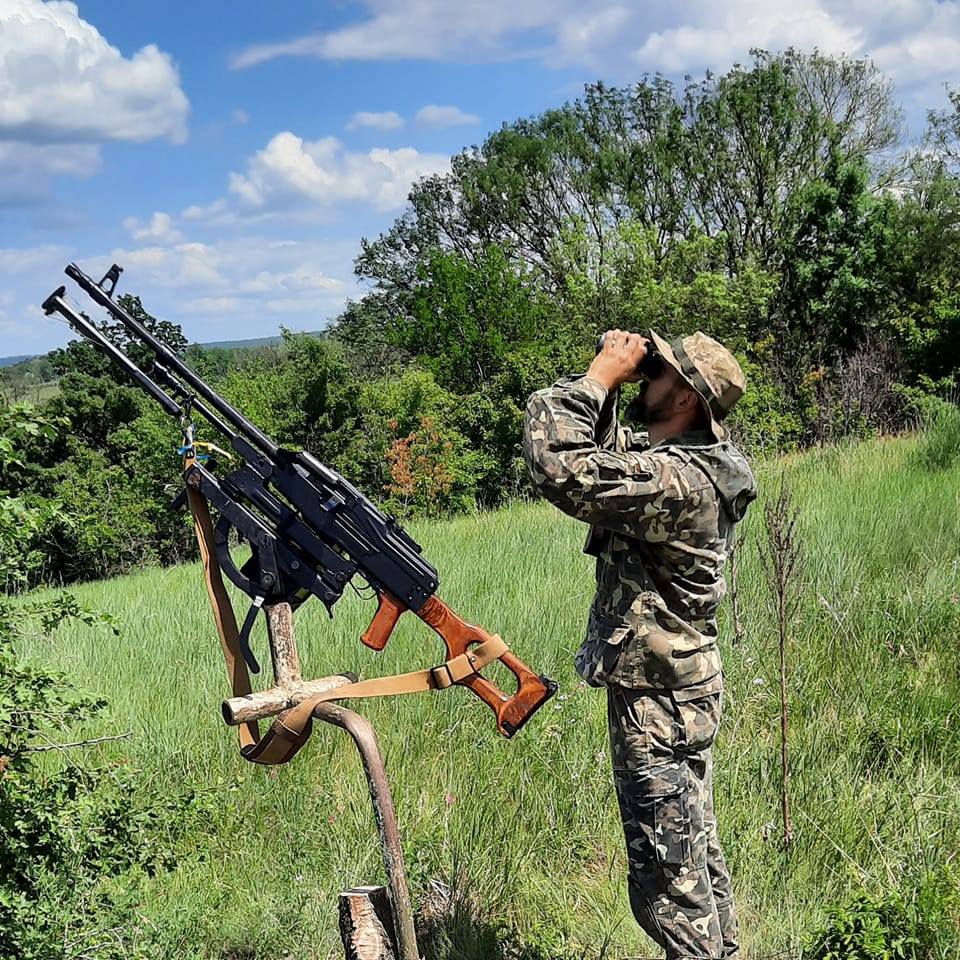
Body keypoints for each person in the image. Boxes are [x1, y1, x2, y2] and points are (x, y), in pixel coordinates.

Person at [523, 328, 757, 959]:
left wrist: (600, 374)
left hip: (657, 703)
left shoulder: (676, 483)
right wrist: (615, 386)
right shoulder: (698, 465)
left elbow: (562, 466)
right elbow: (604, 460)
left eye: (657, 373)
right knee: (694, 859)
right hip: (681, 689)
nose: (643, 377)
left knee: (666, 887)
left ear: (684, 400)